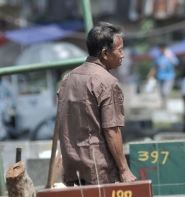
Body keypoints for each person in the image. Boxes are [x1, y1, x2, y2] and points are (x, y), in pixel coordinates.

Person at [57, 22, 136, 186]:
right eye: (119, 51)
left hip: (72, 168)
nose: (122, 55)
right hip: (98, 170)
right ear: (105, 53)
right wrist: (124, 170)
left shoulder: (69, 78)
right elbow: (112, 129)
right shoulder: (108, 82)